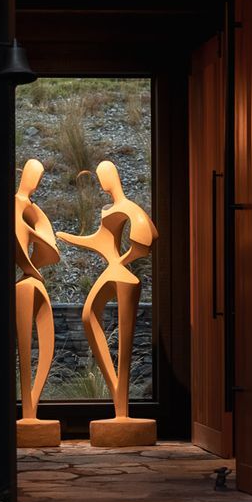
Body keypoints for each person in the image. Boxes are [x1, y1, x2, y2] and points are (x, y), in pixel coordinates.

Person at [56, 159, 157, 425]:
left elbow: (146, 240)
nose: (102, 184)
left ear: (112, 179)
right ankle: (116, 394)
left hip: (122, 276)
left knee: (124, 343)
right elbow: (100, 240)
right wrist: (69, 237)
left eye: (104, 178)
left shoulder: (129, 208)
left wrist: (121, 261)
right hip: (114, 272)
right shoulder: (109, 210)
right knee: (89, 316)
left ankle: (121, 408)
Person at [15, 158, 60, 436]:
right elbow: (20, 242)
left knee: (47, 344)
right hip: (25, 282)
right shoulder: (16, 206)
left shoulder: (33, 210)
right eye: (35, 176)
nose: (36, 182)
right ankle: (26, 410)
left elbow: (49, 245)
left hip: (34, 281)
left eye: (39, 178)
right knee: (23, 347)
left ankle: (33, 408)